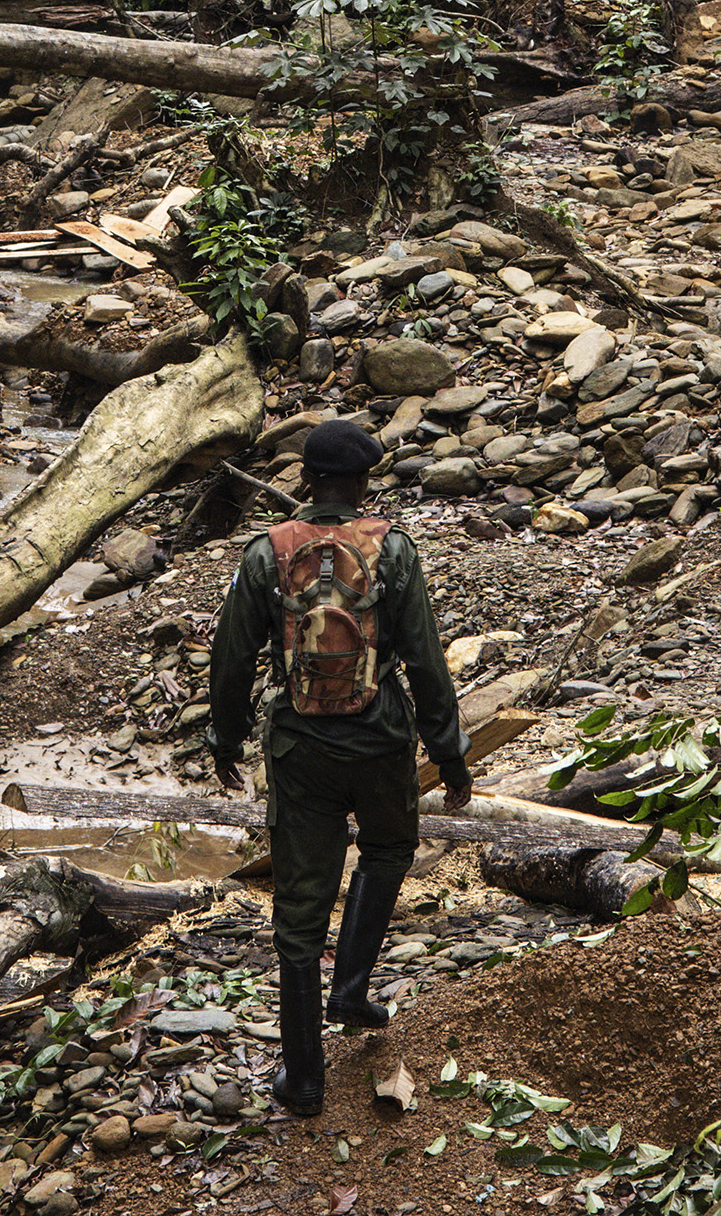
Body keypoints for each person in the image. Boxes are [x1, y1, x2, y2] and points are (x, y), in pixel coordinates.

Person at [205, 419, 471, 1120]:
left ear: (306, 479)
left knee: (299, 911)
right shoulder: (394, 550)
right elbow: (425, 658)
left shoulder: (267, 553)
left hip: (300, 750)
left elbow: (231, 658)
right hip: (381, 740)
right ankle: (349, 988)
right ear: (363, 482)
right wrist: (449, 752)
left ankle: (304, 1081)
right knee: (387, 849)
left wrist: (224, 738)